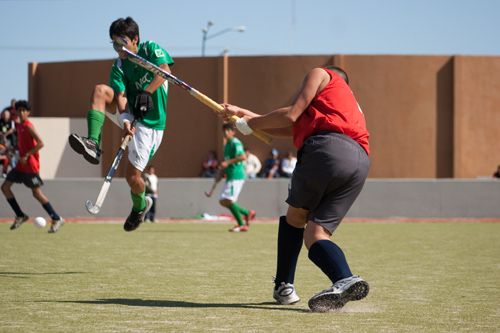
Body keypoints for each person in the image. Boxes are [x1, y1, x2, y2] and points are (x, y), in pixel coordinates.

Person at [221, 66, 370, 312]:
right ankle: (345, 278)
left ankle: (284, 286)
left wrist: (251, 123)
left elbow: (291, 114)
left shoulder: (321, 74)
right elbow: (290, 126)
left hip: (326, 151)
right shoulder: (343, 106)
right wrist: (244, 116)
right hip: (360, 161)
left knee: (295, 218)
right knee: (315, 235)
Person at [67, 17, 174, 232]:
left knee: (132, 178)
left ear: (135, 40)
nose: (118, 49)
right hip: (130, 114)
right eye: (114, 43)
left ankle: (140, 207)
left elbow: (164, 71)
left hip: (150, 125)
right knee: (100, 90)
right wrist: (125, 122)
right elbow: (122, 96)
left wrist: (147, 92)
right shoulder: (118, 65)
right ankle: (93, 143)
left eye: (122, 42)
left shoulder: (150, 48)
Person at [1, 100, 65, 233]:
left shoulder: (29, 126)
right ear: (17, 112)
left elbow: (41, 143)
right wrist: (11, 150)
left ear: (28, 112)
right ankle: (20, 215)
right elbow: (21, 145)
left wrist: (27, 155)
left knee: (36, 194)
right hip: (20, 166)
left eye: (24, 111)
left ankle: (56, 217)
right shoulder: (19, 127)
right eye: (19, 111)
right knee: (5, 188)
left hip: (31, 166)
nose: (21, 113)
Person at [219, 123, 255, 232]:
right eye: (224, 130)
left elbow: (243, 156)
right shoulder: (226, 146)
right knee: (223, 200)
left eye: (228, 130)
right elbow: (227, 163)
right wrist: (220, 174)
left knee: (228, 200)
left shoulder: (235, 142)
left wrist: (227, 163)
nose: (226, 132)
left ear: (233, 132)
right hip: (230, 176)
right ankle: (248, 214)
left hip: (237, 176)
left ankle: (241, 224)